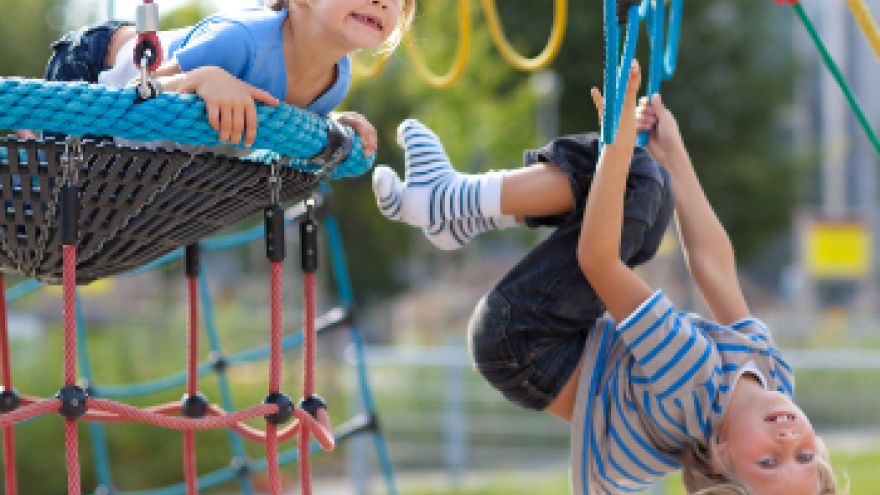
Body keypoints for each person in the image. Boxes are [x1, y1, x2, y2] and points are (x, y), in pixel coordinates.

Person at [372, 62, 841, 494]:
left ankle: (451, 200)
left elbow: (598, 262)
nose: (786, 437)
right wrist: (675, 155)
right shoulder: (772, 375)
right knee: (649, 190)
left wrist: (615, 145)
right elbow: (714, 264)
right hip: (565, 341)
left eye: (768, 461)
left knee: (636, 180)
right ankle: (457, 210)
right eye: (803, 455)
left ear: (720, 460)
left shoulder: (692, 381)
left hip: (523, 341)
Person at [27, 0, 416, 153]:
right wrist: (206, 76)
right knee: (50, 212)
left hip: (145, 147)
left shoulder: (336, 80)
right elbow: (137, 92)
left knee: (98, 230)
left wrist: (328, 124)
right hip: (94, 68)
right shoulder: (240, 40)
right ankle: (25, 139)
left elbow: (279, 115)